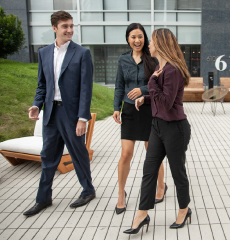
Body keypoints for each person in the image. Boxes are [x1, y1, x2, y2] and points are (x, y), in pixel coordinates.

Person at [24, 11, 95, 216]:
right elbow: (42, 85)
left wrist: (83, 118)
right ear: (54, 28)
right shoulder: (44, 53)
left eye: (71, 26)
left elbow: (85, 89)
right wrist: (37, 105)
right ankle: (43, 198)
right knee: (48, 156)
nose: (70, 30)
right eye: (65, 26)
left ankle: (88, 190)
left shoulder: (82, 53)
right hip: (51, 113)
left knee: (78, 154)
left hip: (71, 114)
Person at [123, 28, 192, 234]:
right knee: (149, 171)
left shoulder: (171, 70)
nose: (148, 45)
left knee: (177, 171)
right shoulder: (162, 67)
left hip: (175, 129)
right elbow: (161, 97)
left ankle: (184, 209)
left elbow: (167, 103)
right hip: (158, 127)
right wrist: (146, 97)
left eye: (151, 41)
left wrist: (151, 83)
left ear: (160, 44)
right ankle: (142, 214)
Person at [112, 23, 167, 215]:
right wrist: (115, 108)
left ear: (145, 38)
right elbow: (119, 85)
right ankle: (121, 193)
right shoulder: (122, 60)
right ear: (128, 38)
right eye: (133, 37)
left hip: (149, 109)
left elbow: (161, 84)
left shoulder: (153, 58)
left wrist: (143, 90)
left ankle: (161, 186)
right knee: (126, 154)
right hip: (128, 110)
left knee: (151, 151)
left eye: (141, 37)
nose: (137, 40)